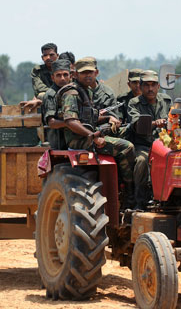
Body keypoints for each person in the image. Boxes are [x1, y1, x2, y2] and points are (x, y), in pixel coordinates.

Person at [58, 57, 136, 209]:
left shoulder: (86, 91)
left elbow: (90, 117)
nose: (88, 76)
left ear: (96, 73)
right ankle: (129, 192)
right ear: (75, 75)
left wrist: (108, 117)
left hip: (90, 134)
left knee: (129, 132)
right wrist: (92, 136)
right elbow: (71, 121)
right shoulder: (72, 93)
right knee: (127, 147)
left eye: (90, 72)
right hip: (80, 140)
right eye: (83, 73)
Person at [128, 70, 172, 210]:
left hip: (165, 145)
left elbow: (175, 118)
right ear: (140, 87)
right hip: (144, 145)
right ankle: (139, 201)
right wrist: (154, 123)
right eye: (146, 85)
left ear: (158, 86)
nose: (150, 88)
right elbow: (136, 123)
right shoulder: (134, 103)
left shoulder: (166, 100)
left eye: (153, 85)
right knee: (141, 161)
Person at [41, 59, 72, 149]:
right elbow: (51, 123)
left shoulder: (74, 92)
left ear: (71, 76)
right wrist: (71, 123)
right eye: (58, 75)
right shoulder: (51, 95)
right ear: (52, 78)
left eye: (65, 75)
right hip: (59, 144)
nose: (62, 78)